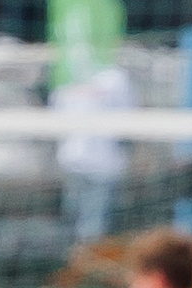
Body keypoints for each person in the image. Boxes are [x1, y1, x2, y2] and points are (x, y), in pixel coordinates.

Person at [51, 62, 137, 246]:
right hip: (76, 165)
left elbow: (125, 125)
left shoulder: (116, 79)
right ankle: (77, 261)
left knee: (93, 226)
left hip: (102, 169)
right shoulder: (70, 80)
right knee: (73, 219)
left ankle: (88, 263)